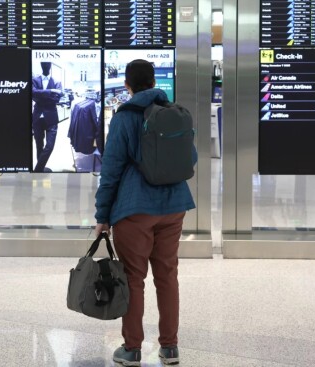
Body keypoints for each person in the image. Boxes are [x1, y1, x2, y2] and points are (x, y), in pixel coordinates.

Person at [94, 59, 196, 366]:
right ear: (154, 82)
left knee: (133, 278)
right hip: (175, 205)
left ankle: (132, 348)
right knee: (167, 275)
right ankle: (170, 347)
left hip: (134, 208)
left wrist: (102, 215)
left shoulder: (125, 117)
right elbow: (189, 157)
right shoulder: (176, 112)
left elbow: (111, 169)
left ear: (127, 85)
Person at [32, 62, 62, 172]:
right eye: (43, 64)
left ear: (50, 66)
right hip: (37, 117)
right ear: (41, 66)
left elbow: (57, 98)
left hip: (51, 118)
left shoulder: (57, 81)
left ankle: (37, 170)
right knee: (38, 144)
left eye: (47, 64)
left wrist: (40, 96)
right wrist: (51, 91)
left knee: (50, 146)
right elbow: (32, 93)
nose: (45, 66)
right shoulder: (35, 80)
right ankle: (40, 169)